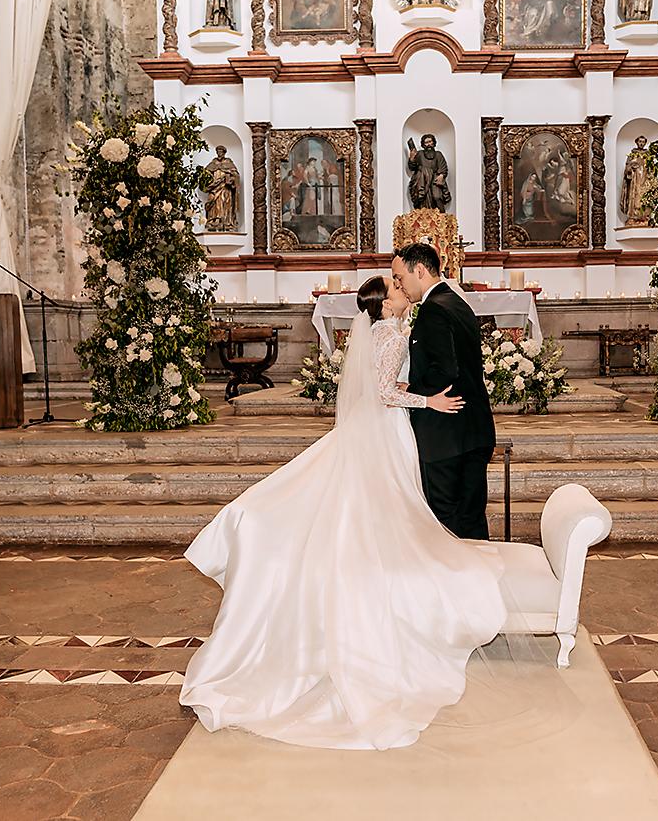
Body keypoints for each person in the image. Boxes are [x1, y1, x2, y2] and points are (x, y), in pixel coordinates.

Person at [180, 274, 507, 750]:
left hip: (376, 428)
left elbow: (381, 382)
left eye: (399, 283)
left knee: (365, 501)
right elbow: (384, 393)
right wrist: (428, 399)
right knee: (382, 502)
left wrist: (403, 386)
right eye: (394, 289)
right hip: (388, 428)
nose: (399, 291)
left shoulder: (383, 331)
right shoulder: (392, 331)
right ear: (384, 305)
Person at [392, 242, 497, 540]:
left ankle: (455, 584)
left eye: (401, 278)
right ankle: (482, 581)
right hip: (474, 430)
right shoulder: (458, 302)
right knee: (472, 520)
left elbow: (446, 369)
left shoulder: (432, 310)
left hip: (445, 437)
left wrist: (413, 390)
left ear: (420, 270)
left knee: (446, 526)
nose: (400, 285)